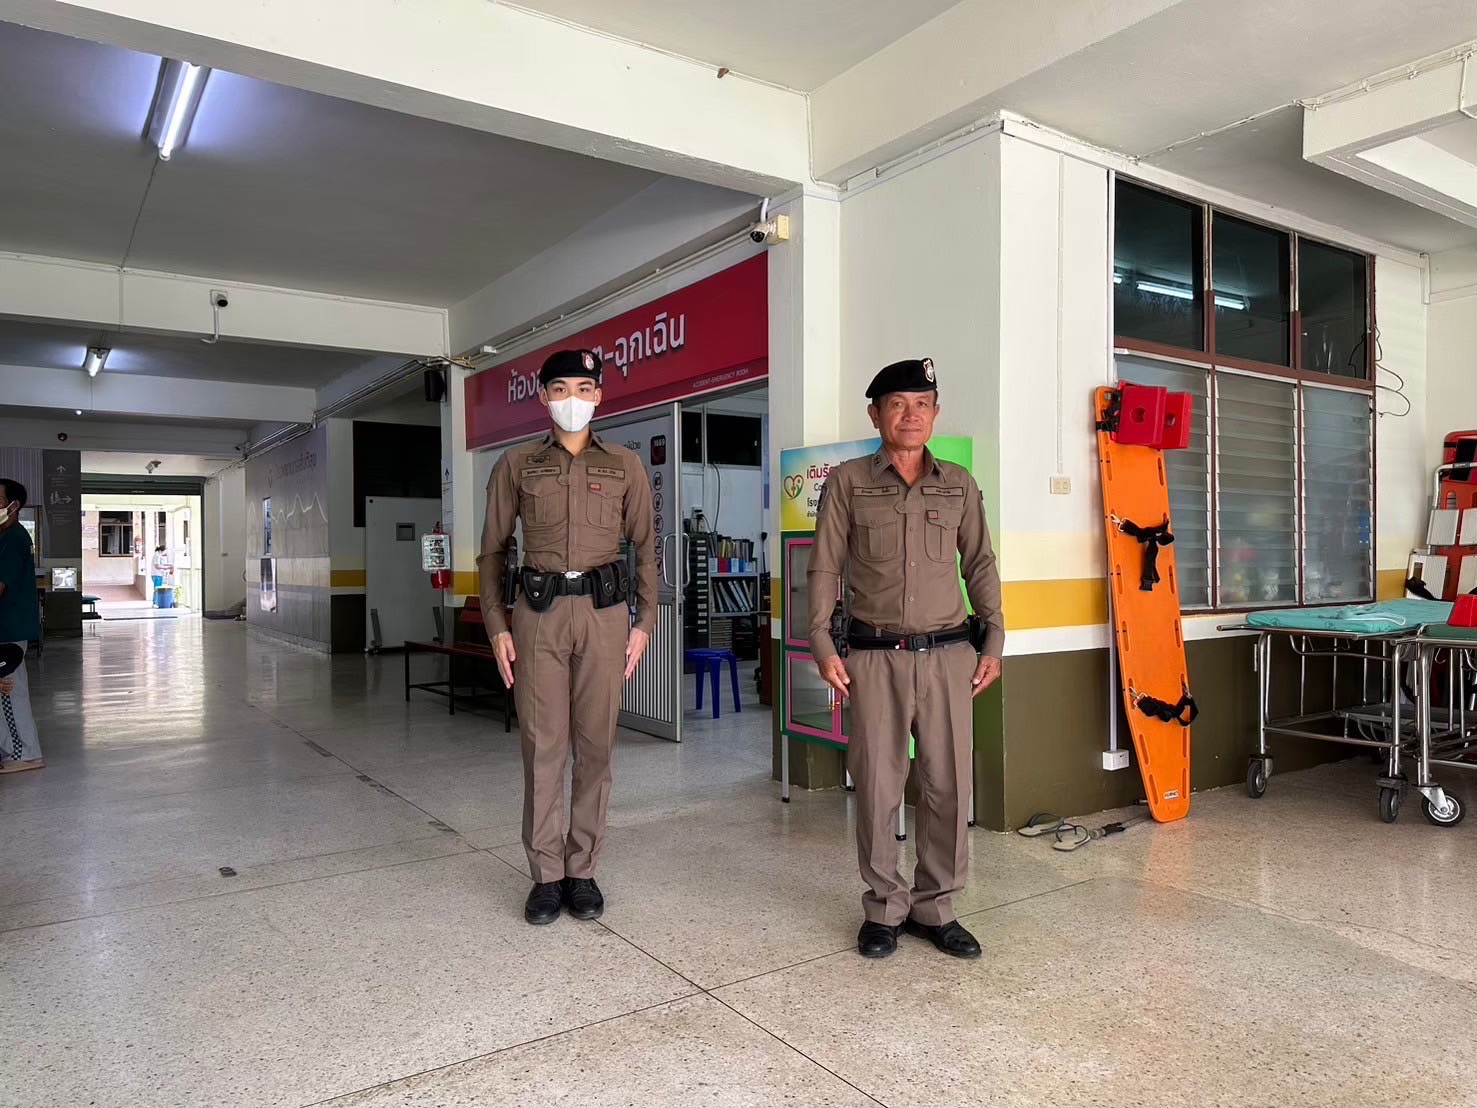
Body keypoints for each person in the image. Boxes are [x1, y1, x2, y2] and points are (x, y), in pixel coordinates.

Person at [808, 358, 1004, 960]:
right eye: (897, 403)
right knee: (876, 786)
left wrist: (994, 640)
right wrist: (820, 641)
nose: (910, 414)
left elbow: (980, 563)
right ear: (876, 415)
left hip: (949, 656)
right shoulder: (847, 482)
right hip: (874, 658)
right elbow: (825, 567)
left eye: (922, 403)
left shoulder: (959, 483)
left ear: (935, 413)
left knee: (949, 786)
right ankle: (883, 908)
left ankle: (935, 907)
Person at [478, 349, 657, 926]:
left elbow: (646, 548)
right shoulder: (517, 464)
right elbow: (493, 551)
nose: (572, 399)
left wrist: (644, 622)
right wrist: (497, 625)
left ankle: (582, 869)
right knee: (543, 747)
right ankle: (546, 875)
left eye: (583, 388)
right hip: (539, 614)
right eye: (560, 389)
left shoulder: (625, 465)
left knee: (596, 745)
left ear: (599, 395)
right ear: (544, 398)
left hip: (604, 615)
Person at [0, 480, 44, 774]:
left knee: (9, 693)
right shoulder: (6, 536)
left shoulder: (13, 539)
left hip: (8, 630)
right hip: (7, 627)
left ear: (13, 506)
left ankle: (24, 754)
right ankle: (15, 750)